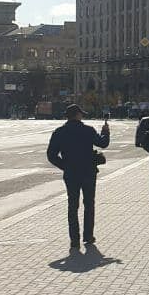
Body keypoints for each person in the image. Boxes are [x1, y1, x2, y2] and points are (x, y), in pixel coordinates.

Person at [46, 104, 110, 253]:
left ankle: (74, 241)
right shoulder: (87, 130)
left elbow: (51, 155)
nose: (82, 116)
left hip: (71, 173)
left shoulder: (59, 132)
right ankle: (88, 236)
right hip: (88, 172)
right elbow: (103, 143)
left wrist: (65, 166)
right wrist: (105, 132)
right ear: (77, 115)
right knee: (89, 204)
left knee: (72, 206)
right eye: (81, 114)